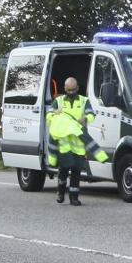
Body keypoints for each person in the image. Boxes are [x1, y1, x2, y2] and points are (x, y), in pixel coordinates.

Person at [45, 77, 108, 205]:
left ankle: (74, 197)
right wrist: (54, 114)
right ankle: (61, 192)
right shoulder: (59, 101)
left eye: (73, 90)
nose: (71, 92)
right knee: (63, 170)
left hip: (79, 144)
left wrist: (85, 118)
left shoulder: (84, 101)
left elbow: (91, 115)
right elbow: (48, 116)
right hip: (64, 144)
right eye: (68, 90)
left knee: (76, 171)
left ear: (77, 88)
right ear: (65, 89)